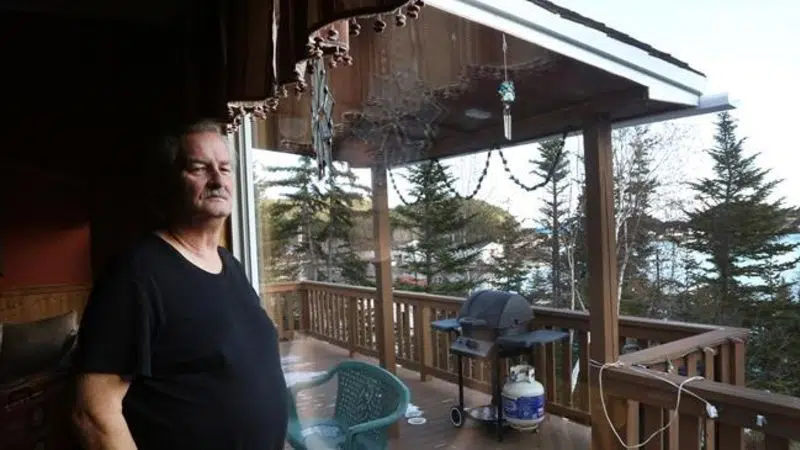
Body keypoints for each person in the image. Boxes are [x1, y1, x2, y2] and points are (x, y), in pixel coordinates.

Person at [71, 119, 288, 450]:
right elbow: (93, 413)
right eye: (199, 168)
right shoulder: (137, 273)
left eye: (225, 168)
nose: (218, 180)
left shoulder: (230, 265)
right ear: (170, 182)